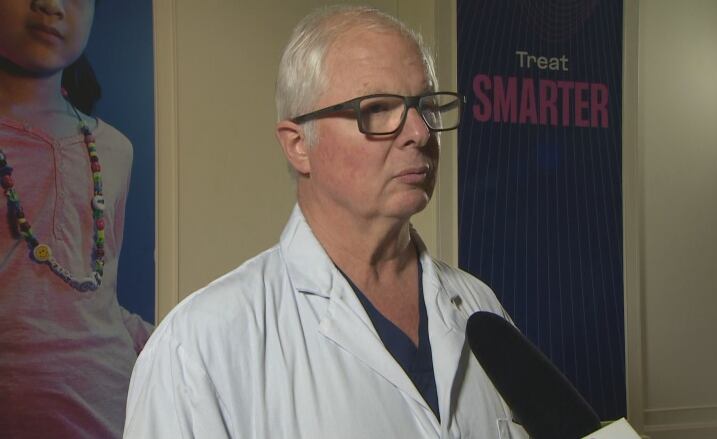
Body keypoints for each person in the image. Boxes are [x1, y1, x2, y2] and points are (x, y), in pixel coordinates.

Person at [124, 5, 528, 439]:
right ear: (299, 145)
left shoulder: (480, 307)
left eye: (426, 106)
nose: (421, 133)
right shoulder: (199, 348)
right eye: (378, 109)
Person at [0, 0, 153, 437]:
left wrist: (178, 340)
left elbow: (93, 295)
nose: (51, 5)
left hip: (111, 412)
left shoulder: (114, 151)